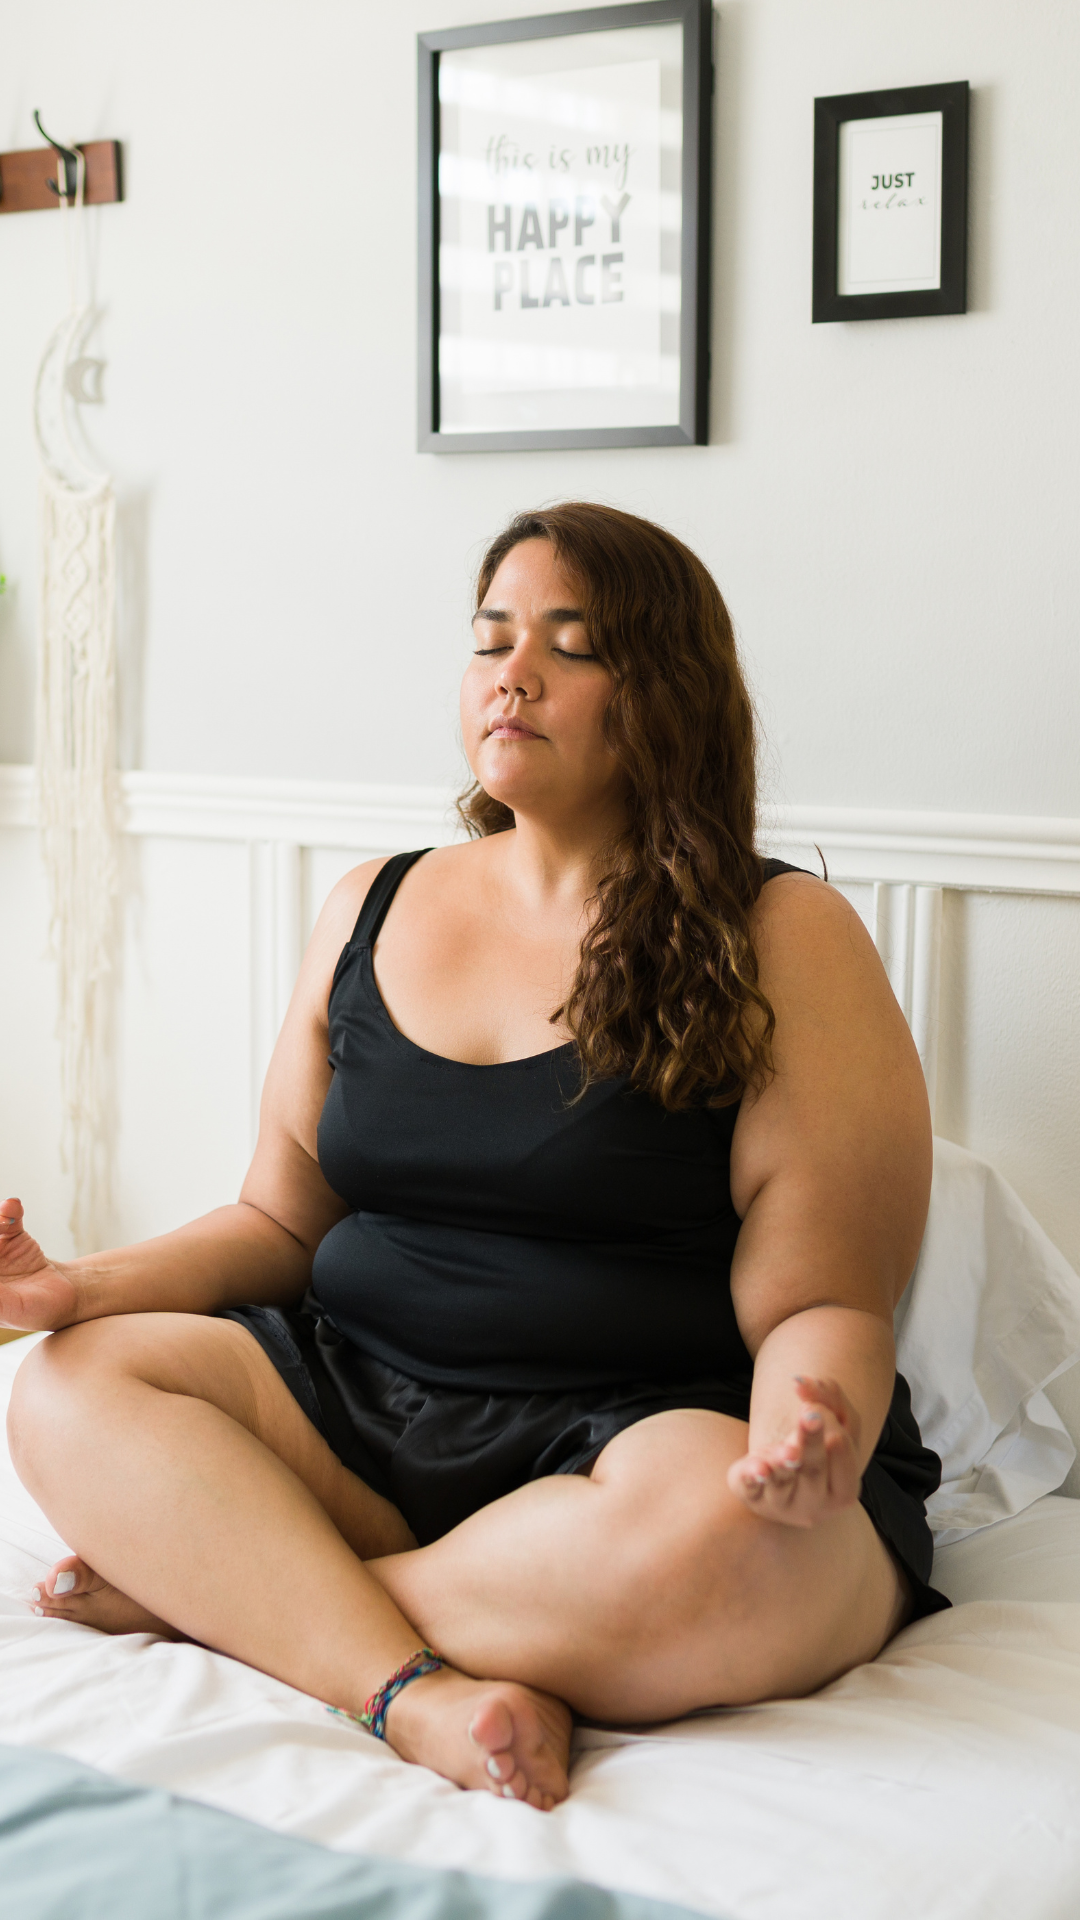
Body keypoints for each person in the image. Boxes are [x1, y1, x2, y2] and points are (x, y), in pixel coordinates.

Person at [1, 503, 945, 1813]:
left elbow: (823, 1299)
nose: (513, 672)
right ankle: (416, 1691)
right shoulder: (374, 902)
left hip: (637, 1446)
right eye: (494, 637)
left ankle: (239, 1598)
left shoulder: (783, 933)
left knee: (739, 1547)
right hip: (360, 1417)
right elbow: (279, 1226)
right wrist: (78, 1292)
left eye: (573, 644)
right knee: (68, 1387)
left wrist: (812, 1422)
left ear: (667, 694)